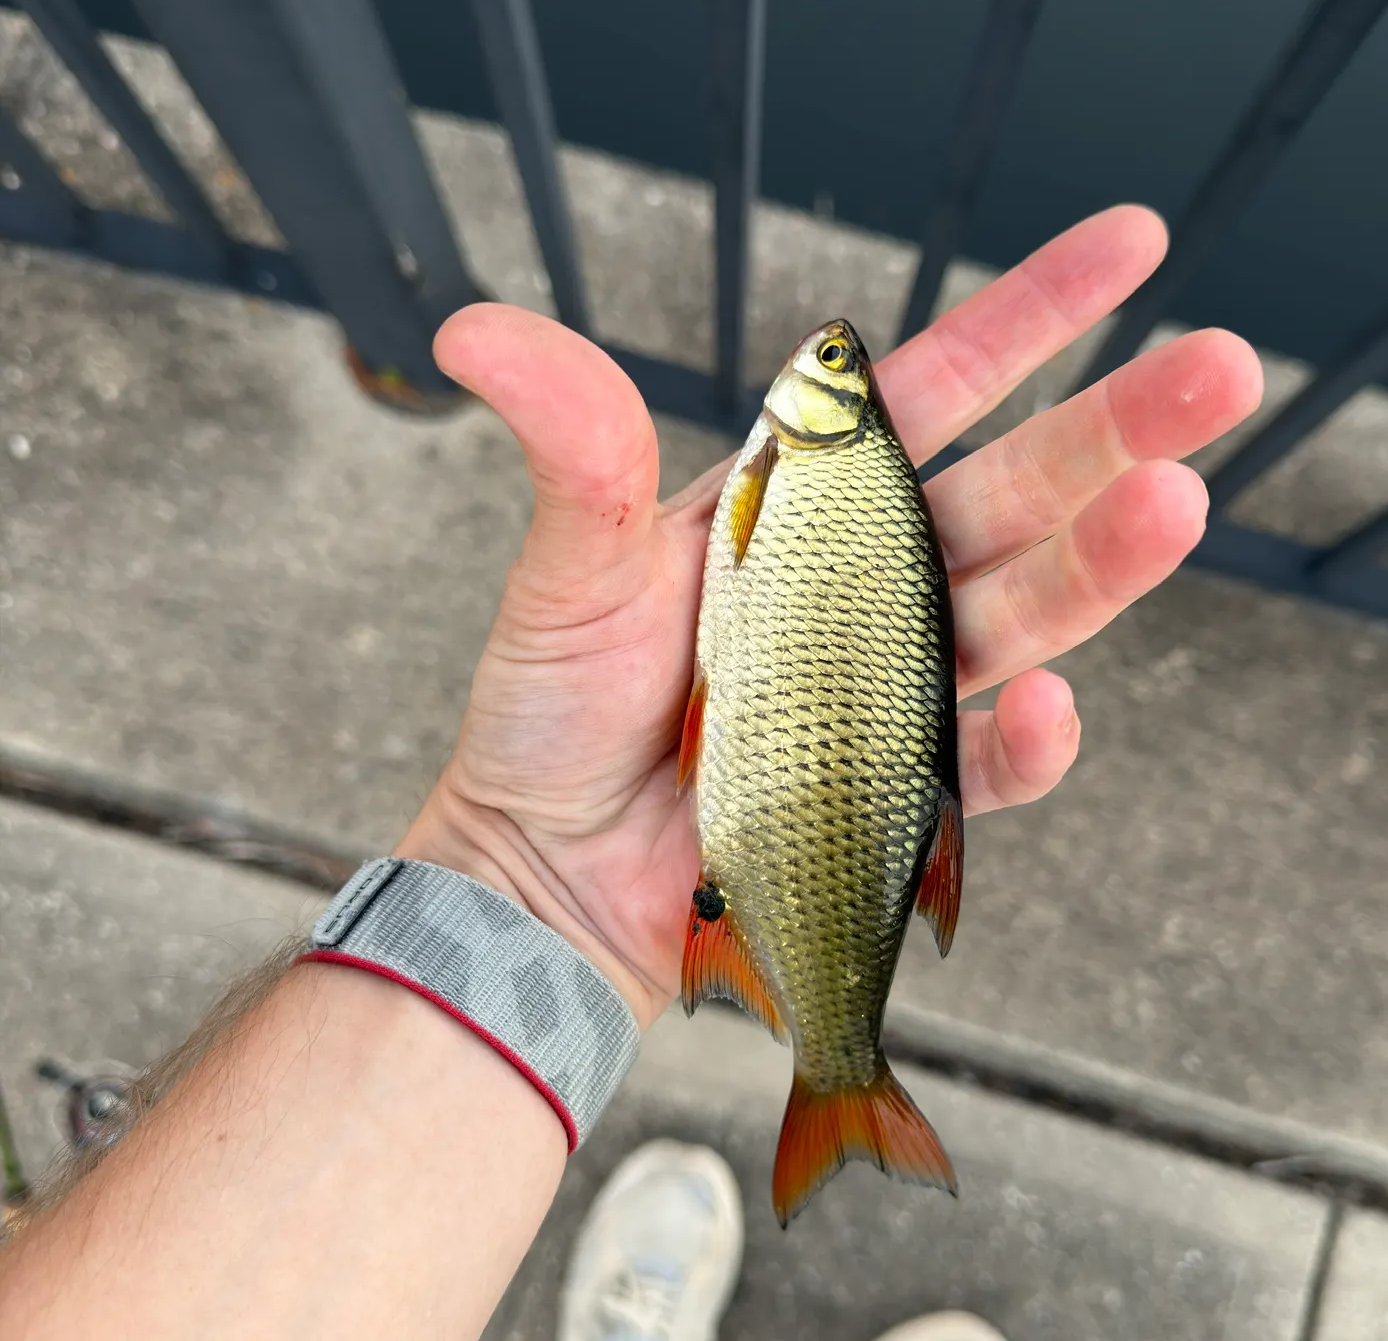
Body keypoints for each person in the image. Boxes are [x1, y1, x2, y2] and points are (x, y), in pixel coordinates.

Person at [0, 207, 1262, 1338]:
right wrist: (532, 884)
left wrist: (528, 882)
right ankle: (822, 1097)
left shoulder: (802, 482)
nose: (831, 361)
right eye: (842, 369)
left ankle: (821, 1093)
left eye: (840, 371)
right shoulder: (831, 483)